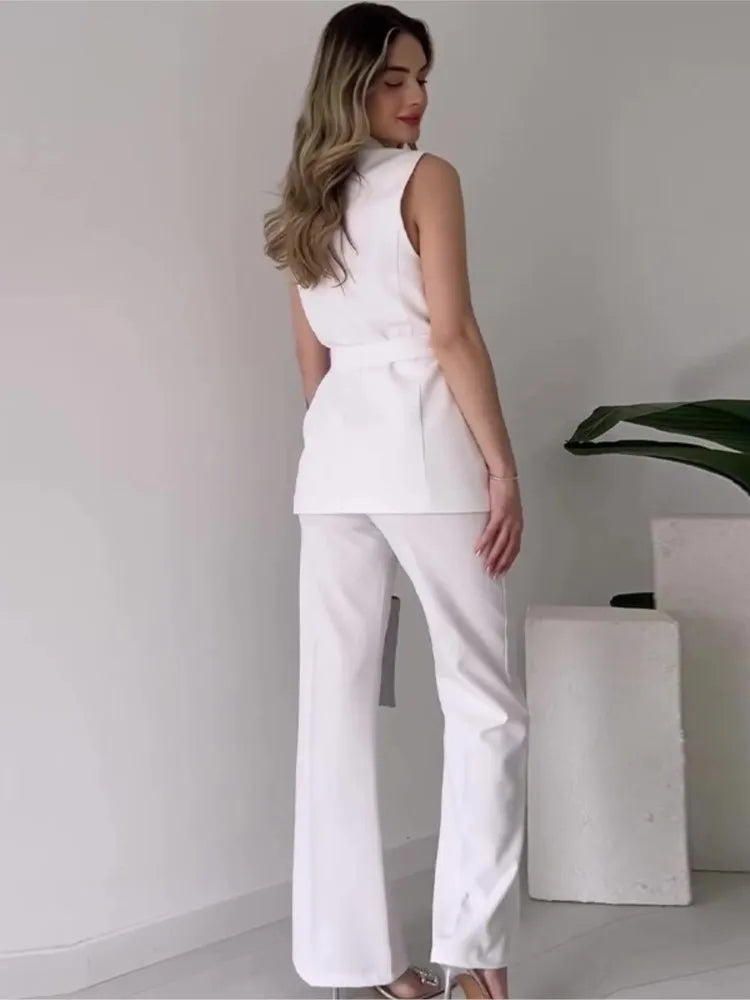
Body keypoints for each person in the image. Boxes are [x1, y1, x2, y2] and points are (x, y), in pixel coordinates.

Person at [263, 4, 529, 998]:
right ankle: (477, 959)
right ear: (351, 85)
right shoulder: (428, 179)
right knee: (484, 704)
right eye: (393, 79)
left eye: (421, 78)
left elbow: (314, 364)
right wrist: (500, 467)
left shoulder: (302, 202)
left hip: (333, 468)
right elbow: (452, 334)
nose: (416, 98)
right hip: (425, 456)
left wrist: (347, 444)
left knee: (334, 709)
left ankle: (362, 966)